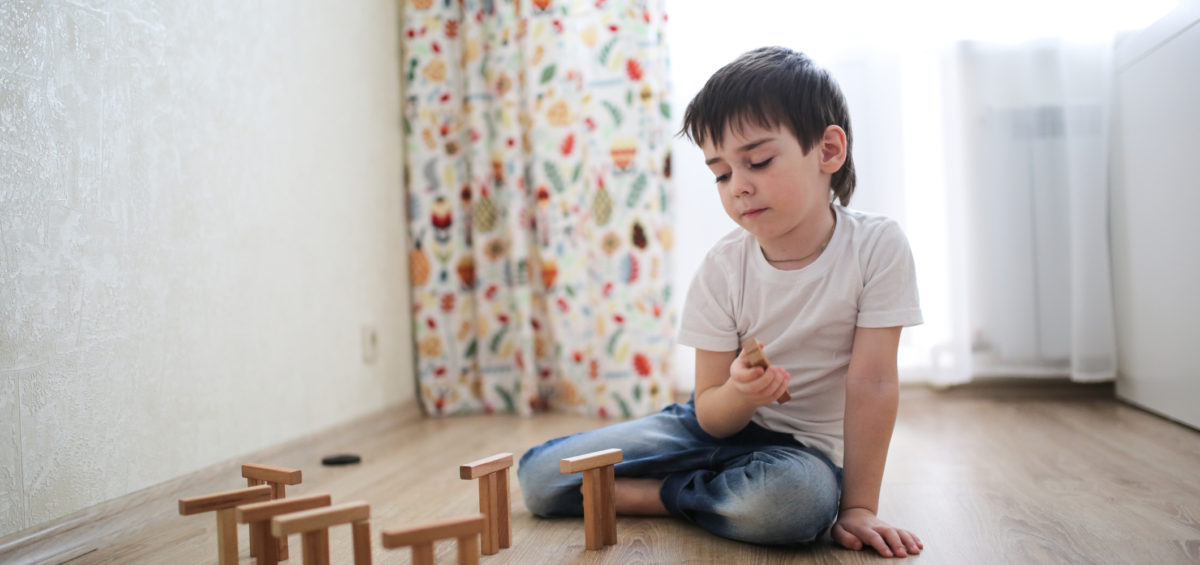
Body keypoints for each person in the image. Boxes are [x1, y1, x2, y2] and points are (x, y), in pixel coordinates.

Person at [517, 46, 924, 558]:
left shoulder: (877, 247)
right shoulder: (722, 267)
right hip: (709, 424)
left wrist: (860, 507)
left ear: (827, 151)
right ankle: (703, 488)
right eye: (721, 173)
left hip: (800, 454)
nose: (738, 187)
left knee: (794, 505)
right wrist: (741, 394)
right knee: (538, 480)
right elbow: (710, 415)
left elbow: (873, 382)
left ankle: (659, 494)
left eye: (757, 161)